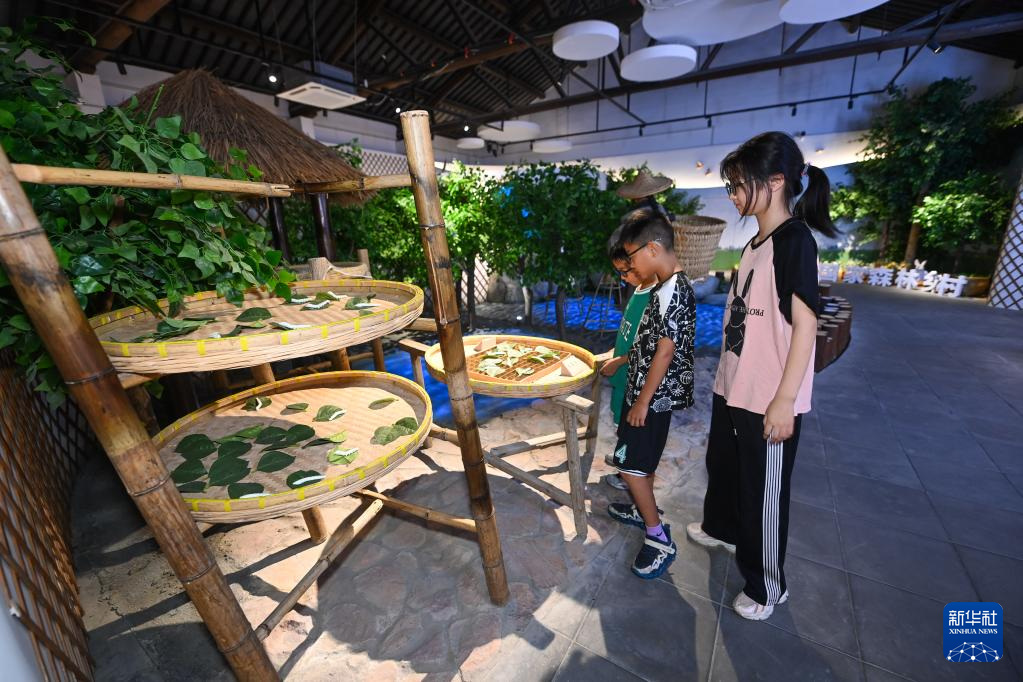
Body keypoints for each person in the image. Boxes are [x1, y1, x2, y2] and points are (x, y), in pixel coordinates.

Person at [687, 131, 838, 620]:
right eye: (730, 185)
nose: (732, 195)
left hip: (769, 395)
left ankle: (768, 586)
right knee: (725, 468)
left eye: (738, 184)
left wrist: (785, 400)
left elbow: (805, 327)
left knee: (763, 493)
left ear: (775, 182)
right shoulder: (756, 242)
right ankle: (722, 529)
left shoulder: (795, 241)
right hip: (734, 385)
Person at [604, 207, 696, 579]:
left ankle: (658, 537)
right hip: (642, 391)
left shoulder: (675, 290)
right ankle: (643, 509)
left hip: (652, 399)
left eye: (633, 256)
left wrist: (642, 401)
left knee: (630, 467)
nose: (631, 266)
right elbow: (648, 342)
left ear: (653, 248)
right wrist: (624, 360)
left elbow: (665, 352)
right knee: (640, 464)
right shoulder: (662, 285)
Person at [600, 227, 659, 492]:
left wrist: (620, 360)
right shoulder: (638, 289)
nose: (624, 278)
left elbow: (650, 346)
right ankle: (623, 459)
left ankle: (628, 473)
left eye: (627, 271)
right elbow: (629, 332)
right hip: (622, 377)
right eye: (620, 273)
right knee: (620, 424)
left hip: (633, 377)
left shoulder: (655, 296)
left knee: (631, 430)